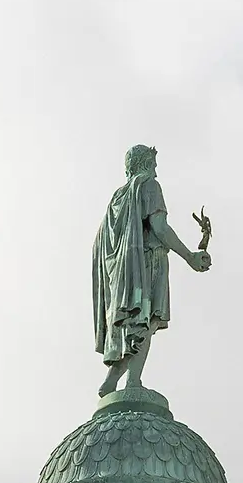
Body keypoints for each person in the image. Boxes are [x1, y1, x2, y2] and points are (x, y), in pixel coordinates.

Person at [92, 145, 210, 396]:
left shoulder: (117, 198)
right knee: (147, 319)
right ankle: (132, 382)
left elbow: (101, 244)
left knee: (138, 321)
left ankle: (112, 381)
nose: (156, 171)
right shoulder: (149, 186)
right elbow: (160, 227)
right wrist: (189, 256)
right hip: (148, 262)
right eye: (153, 164)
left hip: (124, 271)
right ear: (145, 164)